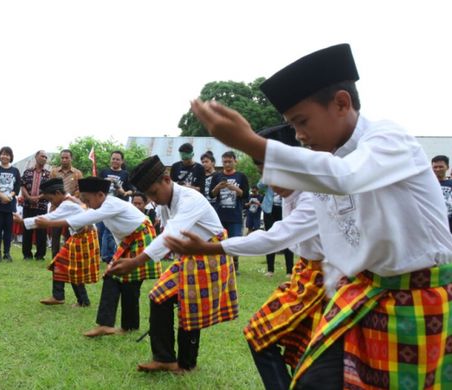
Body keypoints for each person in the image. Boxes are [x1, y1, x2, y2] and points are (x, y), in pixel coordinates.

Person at [190, 43, 452, 389]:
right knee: (311, 379)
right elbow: (334, 244)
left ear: (342, 103)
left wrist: (251, 143)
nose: (298, 135)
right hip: (361, 295)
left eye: (302, 122)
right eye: (292, 125)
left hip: (416, 302)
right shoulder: (323, 169)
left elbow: (345, 177)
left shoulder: (389, 139)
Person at [167, 124, 328, 389]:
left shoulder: (314, 195)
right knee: (264, 336)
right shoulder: (293, 194)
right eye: (263, 170)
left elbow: (275, 237)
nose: (267, 181)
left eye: (271, 169)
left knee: (316, 356)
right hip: (307, 277)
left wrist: (212, 248)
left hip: (331, 282)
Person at [106, 155, 237, 374]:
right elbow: (168, 236)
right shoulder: (166, 203)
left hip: (210, 255)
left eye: (154, 193)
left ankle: (187, 365)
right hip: (188, 256)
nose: (153, 199)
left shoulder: (190, 199)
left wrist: (136, 262)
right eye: (148, 196)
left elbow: (170, 236)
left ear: (166, 179)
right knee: (158, 296)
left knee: (190, 308)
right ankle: (164, 358)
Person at [36, 177, 162, 337]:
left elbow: (86, 218)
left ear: (100, 195)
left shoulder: (110, 204)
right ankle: (123, 326)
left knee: (123, 281)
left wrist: (50, 224)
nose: (87, 204)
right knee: (123, 281)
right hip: (132, 239)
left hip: (140, 239)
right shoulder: (106, 206)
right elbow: (118, 231)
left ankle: (114, 325)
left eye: (88, 200)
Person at [15, 178, 99, 307]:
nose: (51, 203)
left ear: (58, 193)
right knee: (68, 266)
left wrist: (22, 221)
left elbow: (49, 218)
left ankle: (62, 297)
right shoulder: (71, 199)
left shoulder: (67, 204)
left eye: (50, 199)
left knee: (64, 264)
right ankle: (78, 300)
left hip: (83, 237)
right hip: (83, 236)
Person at [210, 151, 248, 273]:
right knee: (219, 242)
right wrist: (218, 187)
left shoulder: (241, 177)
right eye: (224, 162)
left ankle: (234, 266)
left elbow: (245, 195)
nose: (227, 164)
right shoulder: (216, 176)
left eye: (229, 161)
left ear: (235, 161)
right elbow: (212, 194)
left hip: (235, 215)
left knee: (235, 241)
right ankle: (220, 266)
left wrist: (234, 188)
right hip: (219, 215)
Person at [97, 150, 134, 262]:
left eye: (118, 159)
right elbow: (96, 186)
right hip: (102, 205)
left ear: (122, 161)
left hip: (117, 206)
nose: (115, 161)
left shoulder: (125, 174)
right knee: (100, 230)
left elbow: (131, 189)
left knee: (110, 231)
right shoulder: (104, 172)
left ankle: (108, 256)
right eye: (113, 158)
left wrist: (125, 192)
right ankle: (101, 254)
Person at [0, 146, 21, 262]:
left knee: (8, 230)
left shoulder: (15, 171)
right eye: (3, 154)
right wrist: (1, 196)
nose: (5, 156)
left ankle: (7, 253)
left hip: (9, 204)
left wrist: (9, 196)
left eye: (7, 154)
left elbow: (17, 187)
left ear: (11, 157)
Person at [49, 149, 83, 258]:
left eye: (66, 158)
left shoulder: (77, 173)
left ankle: (67, 257)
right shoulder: (54, 172)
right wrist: (57, 199)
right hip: (56, 207)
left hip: (71, 208)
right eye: (62, 157)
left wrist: (69, 199)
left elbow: (80, 189)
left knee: (69, 234)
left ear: (71, 158)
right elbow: (49, 188)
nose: (64, 160)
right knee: (55, 233)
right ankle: (55, 257)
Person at [20, 150, 51, 260]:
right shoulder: (27, 172)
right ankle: (27, 254)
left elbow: (48, 191)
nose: (44, 158)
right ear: (36, 157)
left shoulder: (48, 174)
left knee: (41, 231)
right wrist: (28, 197)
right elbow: (22, 185)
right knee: (27, 229)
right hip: (27, 206)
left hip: (41, 206)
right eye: (42, 156)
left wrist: (37, 198)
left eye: (46, 157)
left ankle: (40, 255)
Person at [263, 188, 294, 277]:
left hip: (285, 209)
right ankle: (270, 270)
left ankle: (289, 271)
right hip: (269, 211)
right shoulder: (269, 177)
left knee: (287, 239)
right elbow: (260, 185)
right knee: (270, 238)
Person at [432, 155, 452, 234]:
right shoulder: (428, 185)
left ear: (447, 167)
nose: (438, 169)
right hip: (434, 222)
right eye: (435, 167)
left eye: (441, 167)